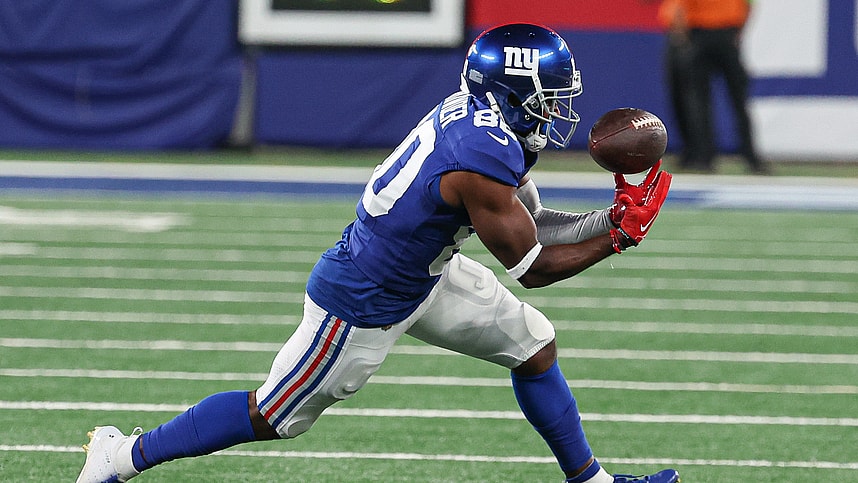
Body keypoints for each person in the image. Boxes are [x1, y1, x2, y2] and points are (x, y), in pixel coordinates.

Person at [76, 23, 677, 483]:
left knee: (533, 344)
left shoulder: (491, 126)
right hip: (366, 296)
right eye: (548, 95)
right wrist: (620, 237)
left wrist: (610, 219)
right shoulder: (480, 155)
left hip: (426, 273)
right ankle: (121, 456)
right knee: (273, 415)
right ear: (512, 93)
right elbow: (533, 266)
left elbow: (535, 223)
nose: (558, 109)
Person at [661, 0, 770, 174]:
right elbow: (749, 5)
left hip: (699, 34)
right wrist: (738, 32)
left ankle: (704, 157)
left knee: (699, 101)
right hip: (725, 34)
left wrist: (682, 36)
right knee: (737, 101)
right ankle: (750, 157)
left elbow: (678, 10)